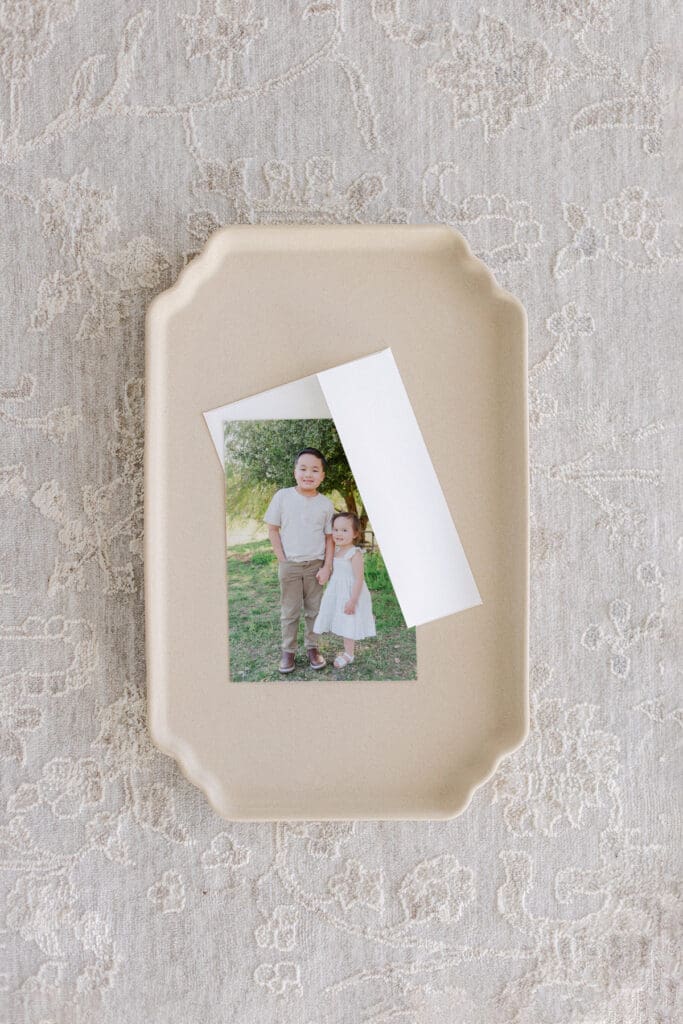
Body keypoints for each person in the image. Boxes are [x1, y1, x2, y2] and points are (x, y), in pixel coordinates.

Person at [264, 448, 334, 673]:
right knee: (290, 611)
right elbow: (273, 529)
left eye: (315, 470)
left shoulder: (326, 504)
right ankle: (288, 651)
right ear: (295, 472)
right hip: (290, 565)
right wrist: (282, 559)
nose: (308, 474)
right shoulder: (283, 496)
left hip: (315, 566)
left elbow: (329, 537)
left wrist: (327, 567)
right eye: (303, 469)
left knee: (314, 611)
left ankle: (313, 648)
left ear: (322, 475)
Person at [313, 511, 376, 669]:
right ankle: (347, 651)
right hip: (338, 592)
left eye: (344, 530)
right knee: (341, 620)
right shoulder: (336, 551)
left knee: (348, 622)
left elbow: (359, 579)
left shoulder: (354, 554)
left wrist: (353, 601)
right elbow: (335, 572)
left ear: (355, 534)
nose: (338, 534)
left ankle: (349, 654)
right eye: (335, 529)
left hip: (350, 594)